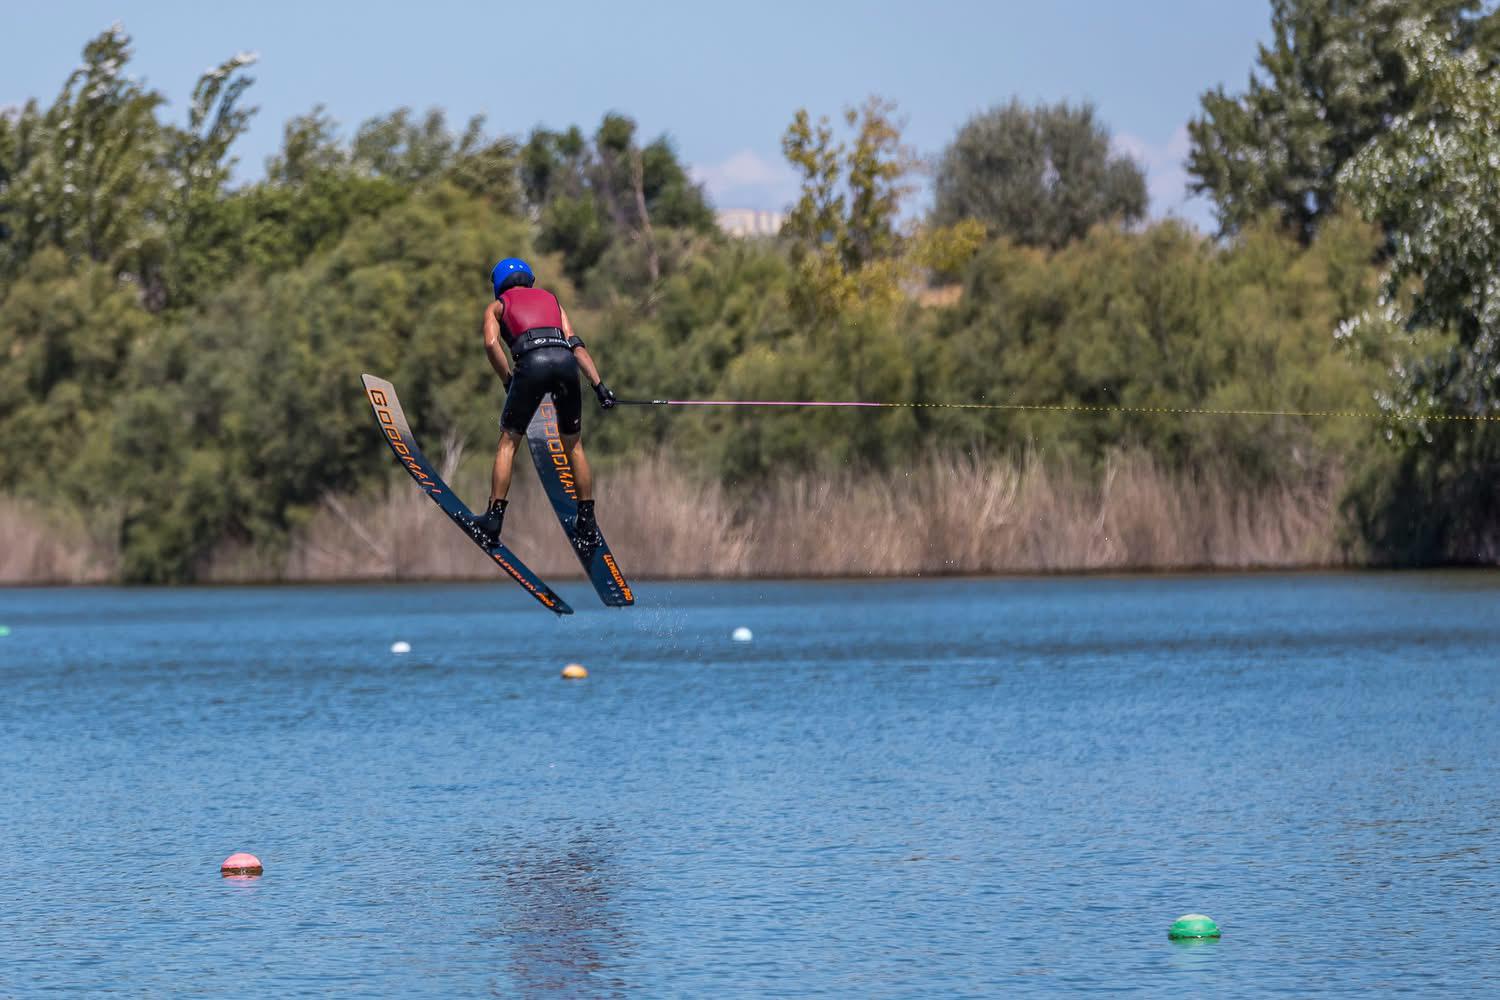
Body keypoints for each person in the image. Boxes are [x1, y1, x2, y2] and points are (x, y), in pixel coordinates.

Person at [473, 257, 616, 546]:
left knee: (508, 443)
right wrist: (599, 386)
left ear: (498, 285)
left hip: (531, 365)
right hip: (565, 364)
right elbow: (575, 345)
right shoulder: (552, 301)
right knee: (573, 445)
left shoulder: (497, 306)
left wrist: (508, 380)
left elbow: (490, 343)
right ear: (530, 279)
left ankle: (494, 518)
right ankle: (587, 523)